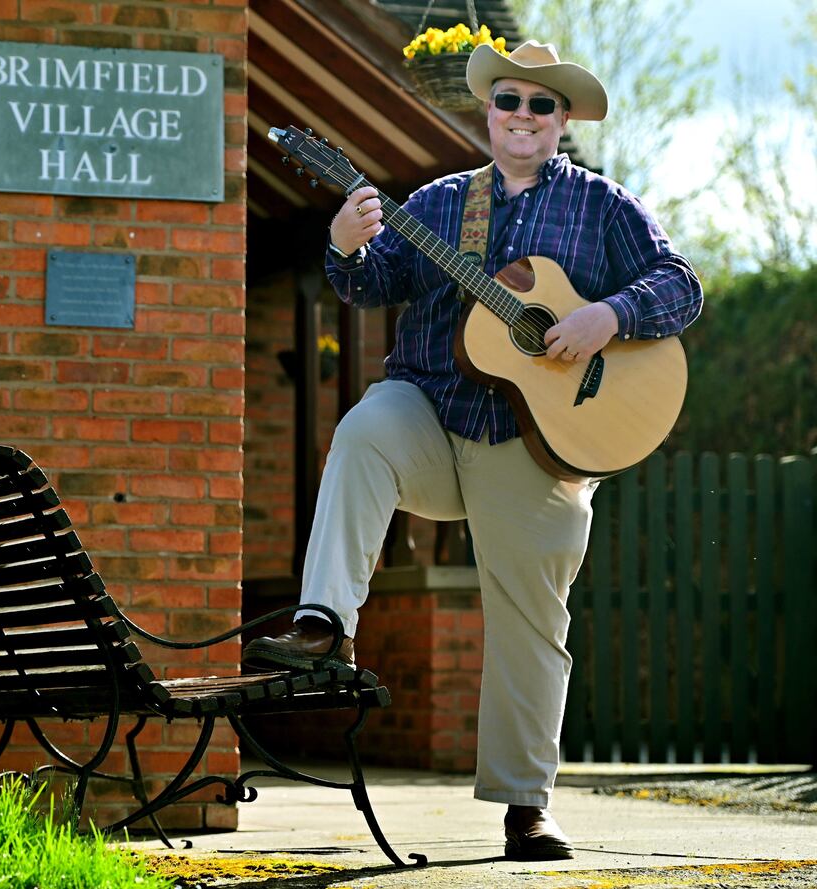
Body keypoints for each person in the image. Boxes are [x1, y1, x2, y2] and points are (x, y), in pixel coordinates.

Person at [243, 40, 703, 860]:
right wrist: (346, 244)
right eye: (508, 101)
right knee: (361, 430)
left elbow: (680, 284)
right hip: (429, 412)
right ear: (488, 112)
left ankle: (526, 804)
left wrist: (609, 317)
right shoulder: (442, 202)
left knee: (531, 618)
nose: (521, 116)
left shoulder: (603, 207)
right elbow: (368, 282)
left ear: (561, 119)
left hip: (537, 440)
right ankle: (325, 624)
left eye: (539, 104)